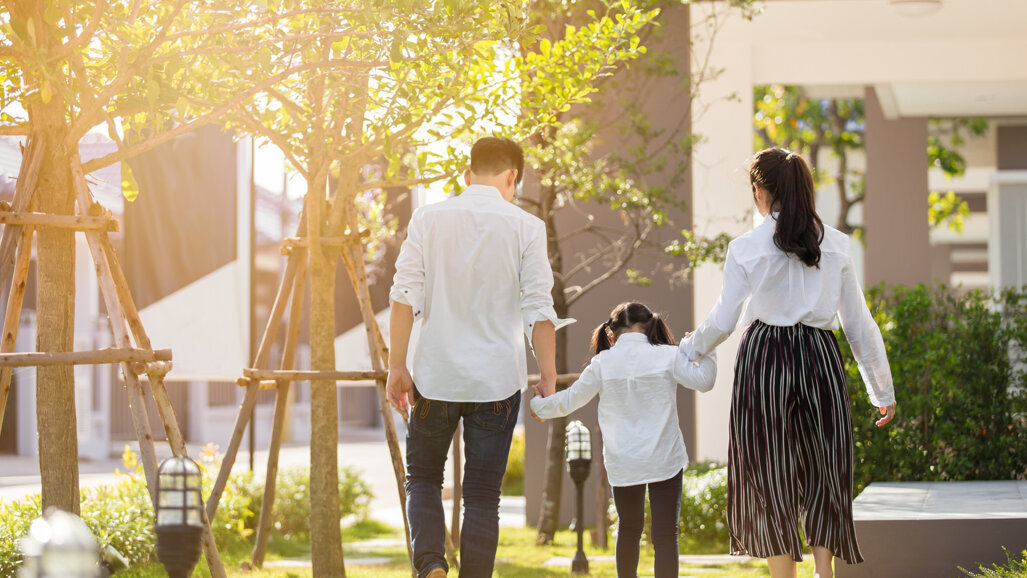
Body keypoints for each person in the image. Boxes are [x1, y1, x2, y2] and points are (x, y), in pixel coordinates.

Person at [680, 147, 897, 578]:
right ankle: (824, 573)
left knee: (767, 470)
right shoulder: (835, 244)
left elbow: (725, 319)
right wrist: (882, 390)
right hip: (820, 357)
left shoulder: (745, 247)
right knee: (826, 468)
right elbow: (858, 324)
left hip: (764, 360)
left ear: (760, 192)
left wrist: (690, 348)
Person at [387, 136, 563, 578]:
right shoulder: (527, 227)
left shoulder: (427, 219)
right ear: (512, 178)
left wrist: (397, 366)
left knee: (423, 479)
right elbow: (539, 309)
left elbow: (403, 297)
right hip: (496, 383)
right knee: (483, 496)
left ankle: (430, 567)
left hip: (434, 377)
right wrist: (548, 376)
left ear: (467, 175)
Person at [530, 302, 717, 578]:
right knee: (666, 535)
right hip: (664, 458)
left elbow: (568, 401)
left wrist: (537, 406)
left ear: (611, 334)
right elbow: (705, 381)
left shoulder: (603, 363)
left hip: (624, 462)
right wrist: (706, 350)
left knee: (628, 530)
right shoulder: (668, 355)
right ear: (650, 325)